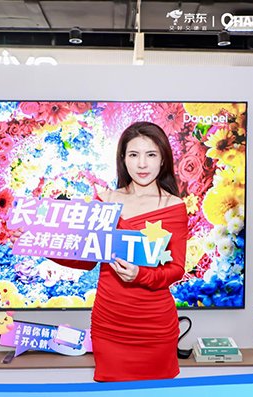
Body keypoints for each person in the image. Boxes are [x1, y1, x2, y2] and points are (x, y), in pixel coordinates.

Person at [51, 121, 187, 382]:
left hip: (155, 327)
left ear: (163, 160)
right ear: (123, 159)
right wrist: (41, 245)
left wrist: (139, 275)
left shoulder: (175, 207)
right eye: (134, 155)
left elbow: (176, 270)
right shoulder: (105, 201)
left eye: (151, 154)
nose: (142, 164)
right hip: (110, 325)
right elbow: (86, 261)